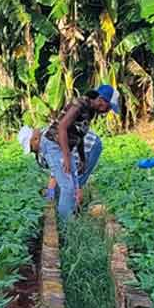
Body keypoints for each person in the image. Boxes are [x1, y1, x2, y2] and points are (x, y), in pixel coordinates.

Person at [37, 85, 119, 219]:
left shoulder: (90, 111)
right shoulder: (79, 105)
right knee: (68, 187)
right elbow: (62, 127)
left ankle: (70, 216)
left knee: (75, 185)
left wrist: (82, 159)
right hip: (53, 145)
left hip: (63, 148)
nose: (107, 111)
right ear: (101, 100)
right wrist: (67, 157)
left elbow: (80, 135)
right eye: (108, 107)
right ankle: (66, 226)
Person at [19, 125, 103, 207]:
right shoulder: (44, 136)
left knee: (74, 184)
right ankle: (74, 209)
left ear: (35, 139)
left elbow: (56, 171)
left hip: (90, 145)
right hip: (78, 147)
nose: (33, 151)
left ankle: (74, 216)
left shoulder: (47, 142)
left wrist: (50, 196)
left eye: (32, 148)